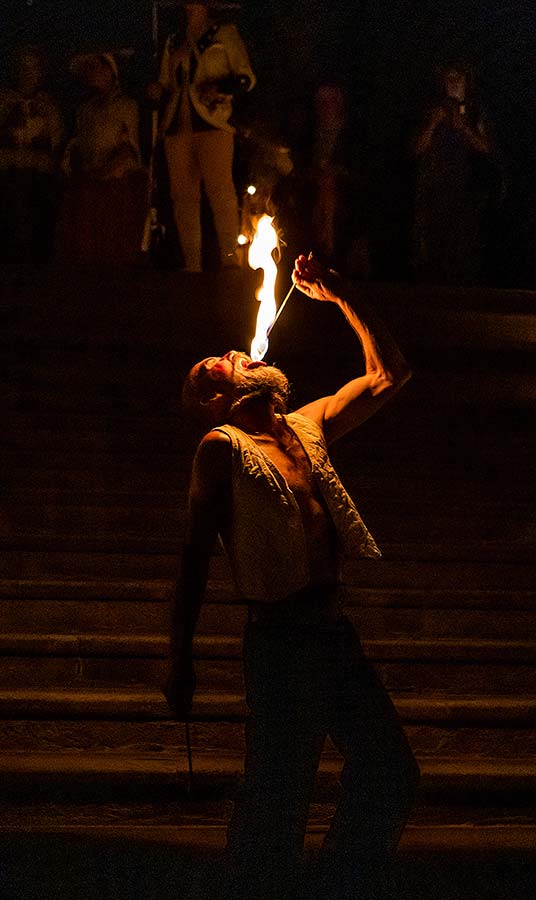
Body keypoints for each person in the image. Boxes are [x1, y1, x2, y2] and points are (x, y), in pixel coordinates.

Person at [166, 254, 420, 900]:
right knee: (278, 797)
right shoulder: (221, 447)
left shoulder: (308, 427)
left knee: (390, 770)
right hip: (279, 642)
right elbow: (195, 553)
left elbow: (392, 373)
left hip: (331, 633)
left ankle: (338, 884)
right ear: (213, 398)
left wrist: (339, 294)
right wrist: (181, 658)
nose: (231, 350)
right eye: (213, 365)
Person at [148, 1, 255, 271]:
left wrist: (217, 86)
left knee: (220, 191)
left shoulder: (224, 34)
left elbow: (245, 77)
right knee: (182, 196)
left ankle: (230, 259)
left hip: (212, 119)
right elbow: (166, 81)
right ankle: (191, 264)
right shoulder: (174, 41)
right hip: (177, 124)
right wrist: (157, 91)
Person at [55, 52, 147, 265]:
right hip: (88, 186)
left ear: (111, 72)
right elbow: (79, 143)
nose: (92, 73)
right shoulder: (85, 110)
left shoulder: (126, 106)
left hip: (116, 184)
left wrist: (107, 169)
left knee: (113, 240)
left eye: (98, 68)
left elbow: (130, 147)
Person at [412, 61, 495, 286]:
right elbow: (417, 149)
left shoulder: (476, 110)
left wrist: (464, 129)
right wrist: (433, 123)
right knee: (434, 245)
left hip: (467, 189)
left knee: (463, 246)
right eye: (449, 79)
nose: (453, 84)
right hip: (435, 186)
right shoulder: (433, 109)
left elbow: (487, 148)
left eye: (458, 79)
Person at [0, 45, 63, 263]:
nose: (28, 74)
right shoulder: (4, 101)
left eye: (33, 68)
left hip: (38, 178)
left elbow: (56, 141)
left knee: (37, 231)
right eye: (23, 68)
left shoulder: (49, 105)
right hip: (8, 175)